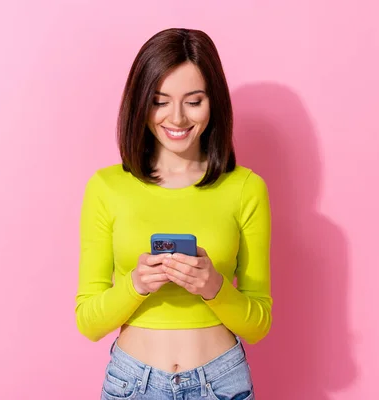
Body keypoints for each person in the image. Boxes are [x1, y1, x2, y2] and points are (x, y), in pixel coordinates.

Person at [75, 28, 272, 400]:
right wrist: (135, 285)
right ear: (140, 104)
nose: (177, 118)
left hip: (222, 381)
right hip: (132, 383)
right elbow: (89, 321)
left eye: (193, 101)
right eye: (159, 101)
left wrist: (213, 287)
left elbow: (259, 324)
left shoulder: (246, 188)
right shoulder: (106, 187)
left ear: (214, 103)